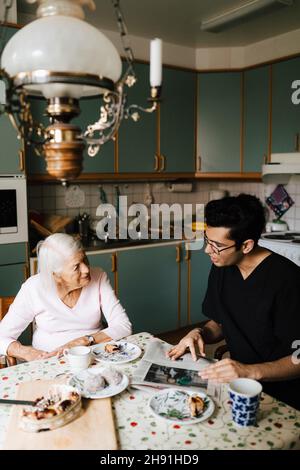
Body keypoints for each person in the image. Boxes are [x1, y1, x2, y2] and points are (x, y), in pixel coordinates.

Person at [167, 194, 300, 410]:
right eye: (207, 239)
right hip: (237, 386)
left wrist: (249, 371)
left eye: (217, 245)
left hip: (283, 396)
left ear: (246, 245)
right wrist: (199, 333)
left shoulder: (288, 281)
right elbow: (220, 323)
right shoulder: (222, 265)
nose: (208, 250)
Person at [0, 233, 132, 362]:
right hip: (49, 361)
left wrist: (83, 341)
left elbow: (123, 326)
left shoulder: (98, 276)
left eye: (84, 259)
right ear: (56, 275)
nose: (86, 269)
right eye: (76, 267)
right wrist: (27, 352)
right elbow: (2, 336)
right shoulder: (33, 288)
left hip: (92, 356)